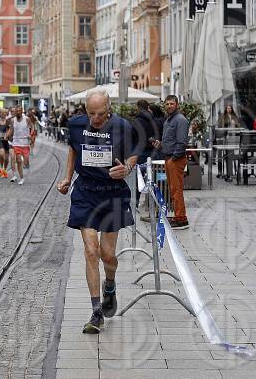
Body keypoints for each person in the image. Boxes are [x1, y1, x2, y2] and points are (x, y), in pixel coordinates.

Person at [56, 88, 139, 334]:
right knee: (91, 251)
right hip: (86, 193)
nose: (95, 119)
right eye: (91, 113)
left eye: (100, 114)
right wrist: (67, 177)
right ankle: (96, 312)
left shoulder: (123, 126)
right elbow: (73, 148)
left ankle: (110, 284)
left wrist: (127, 168)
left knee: (107, 255)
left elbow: (134, 154)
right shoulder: (76, 124)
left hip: (112, 194)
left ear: (108, 108)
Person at [152, 95, 189, 230]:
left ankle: (181, 218)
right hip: (169, 157)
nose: (169, 106)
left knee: (176, 189)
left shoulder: (180, 120)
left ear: (177, 105)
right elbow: (170, 141)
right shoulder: (168, 120)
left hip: (175, 159)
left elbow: (182, 142)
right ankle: (178, 216)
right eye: (167, 104)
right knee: (173, 189)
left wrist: (174, 158)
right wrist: (160, 145)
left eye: (171, 104)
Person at [7, 106, 33, 185]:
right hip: (16, 143)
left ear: (22, 111)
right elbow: (11, 130)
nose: (18, 112)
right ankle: (22, 178)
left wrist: (30, 134)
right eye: (16, 111)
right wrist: (6, 136)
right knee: (18, 160)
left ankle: (26, 163)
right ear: (15, 112)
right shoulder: (13, 120)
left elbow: (32, 127)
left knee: (25, 162)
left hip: (25, 143)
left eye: (19, 111)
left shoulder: (27, 119)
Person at [0, 108, 10, 177]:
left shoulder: (8, 121)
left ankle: (4, 170)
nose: (3, 114)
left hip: (7, 141)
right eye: (2, 112)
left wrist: (7, 135)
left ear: (6, 114)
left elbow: (10, 129)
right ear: (0, 113)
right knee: (2, 153)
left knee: (6, 158)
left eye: (5, 113)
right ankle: (1, 167)